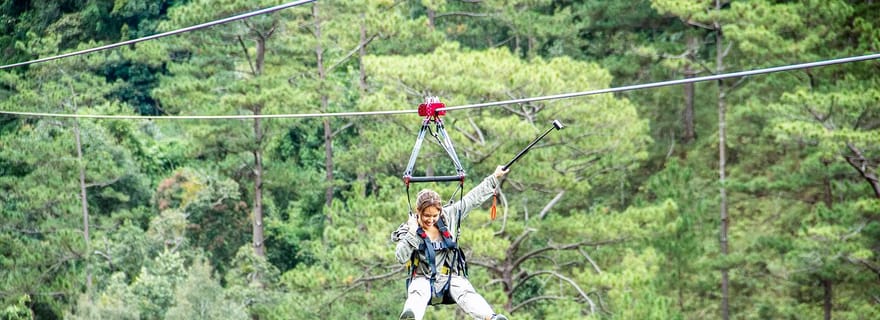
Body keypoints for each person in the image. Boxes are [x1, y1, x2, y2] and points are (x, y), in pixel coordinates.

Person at [392, 165, 510, 320]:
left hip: (448, 277)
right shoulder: (409, 228)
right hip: (422, 278)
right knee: (418, 293)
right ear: (418, 212)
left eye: (435, 215)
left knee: (465, 291)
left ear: (440, 212)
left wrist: (494, 177)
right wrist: (412, 232)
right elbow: (400, 256)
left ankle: (491, 318)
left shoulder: (449, 217)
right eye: (426, 215)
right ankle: (410, 318)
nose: (431, 219)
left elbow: (472, 199)